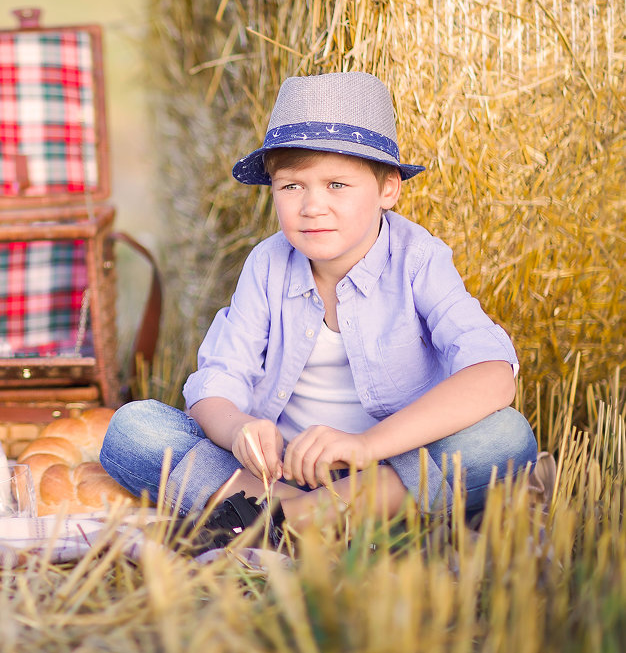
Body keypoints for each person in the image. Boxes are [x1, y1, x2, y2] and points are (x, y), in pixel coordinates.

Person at [99, 71, 537, 548]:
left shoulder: (418, 258)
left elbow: (493, 374)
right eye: (291, 186)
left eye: (336, 184)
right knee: (133, 429)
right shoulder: (268, 263)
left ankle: (288, 522)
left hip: (389, 472)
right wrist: (240, 428)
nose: (312, 206)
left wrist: (366, 446)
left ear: (388, 189)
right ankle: (311, 517)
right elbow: (217, 382)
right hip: (275, 474)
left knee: (505, 438)